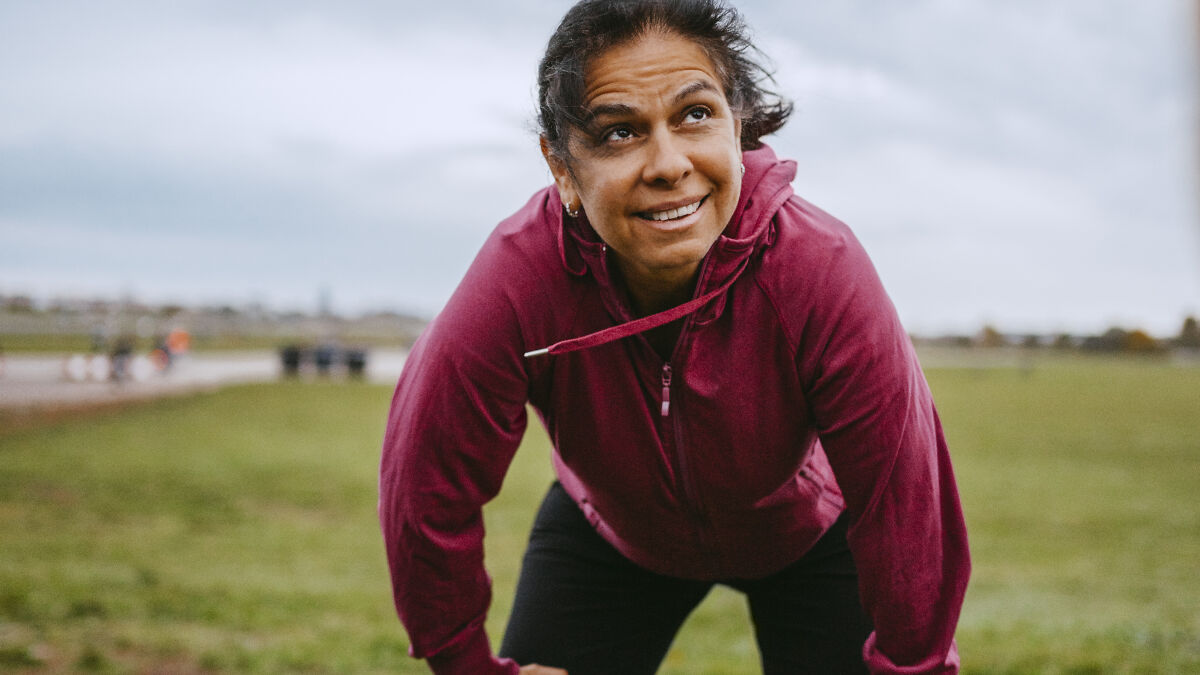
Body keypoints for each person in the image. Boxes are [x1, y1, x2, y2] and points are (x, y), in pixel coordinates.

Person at [378, 1, 970, 673]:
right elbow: (426, 484)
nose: (668, 163)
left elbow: (904, 495)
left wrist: (915, 665)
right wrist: (465, 666)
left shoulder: (820, 267)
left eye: (695, 115)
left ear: (737, 124)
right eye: (619, 132)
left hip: (809, 535)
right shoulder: (519, 278)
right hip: (612, 536)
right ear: (561, 166)